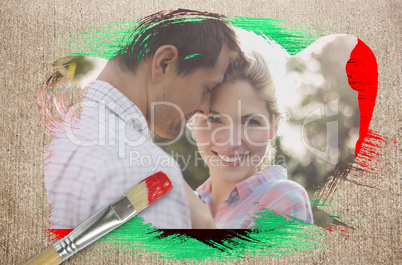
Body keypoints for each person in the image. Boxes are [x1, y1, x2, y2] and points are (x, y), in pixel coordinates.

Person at [44, 9, 244, 229]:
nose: (205, 109)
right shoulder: (148, 178)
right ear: (164, 63)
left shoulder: (51, 129)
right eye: (207, 88)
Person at [190, 50, 313, 229]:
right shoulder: (182, 207)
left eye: (250, 122)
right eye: (214, 119)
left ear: (273, 128)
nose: (230, 142)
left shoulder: (283, 199)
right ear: (193, 123)